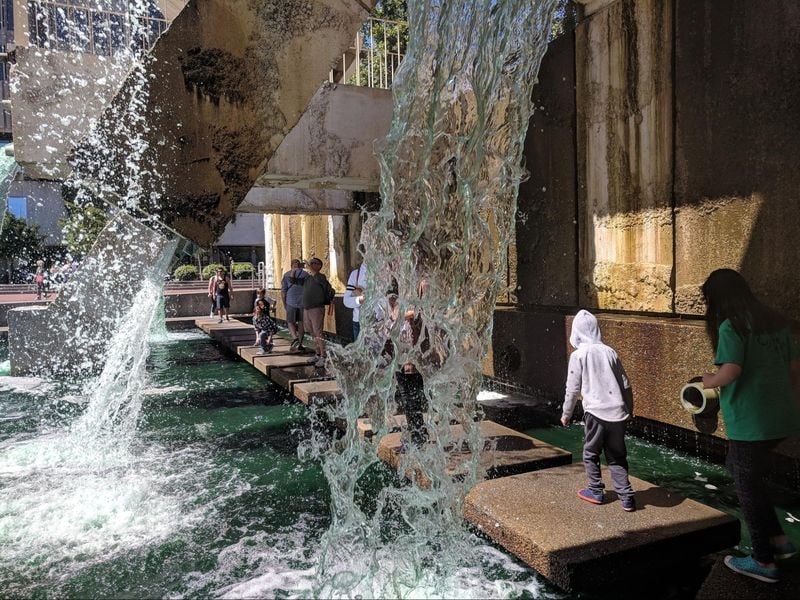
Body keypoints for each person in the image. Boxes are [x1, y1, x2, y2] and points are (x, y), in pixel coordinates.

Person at [700, 269, 800, 583]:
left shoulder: (733, 326)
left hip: (750, 421)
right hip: (781, 417)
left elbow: (731, 370)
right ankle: (780, 542)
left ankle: (763, 560)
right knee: (747, 475)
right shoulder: (774, 323)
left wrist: (710, 380)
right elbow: (795, 368)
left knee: (745, 483)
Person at [561, 309, 635, 512]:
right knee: (617, 456)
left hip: (596, 413)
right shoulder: (610, 352)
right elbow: (626, 385)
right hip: (618, 412)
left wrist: (566, 413)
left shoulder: (579, 355)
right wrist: (629, 409)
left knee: (591, 452)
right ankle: (627, 497)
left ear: (575, 333)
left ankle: (595, 490)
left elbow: (572, 389)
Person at [302, 257, 335, 368]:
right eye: (310, 263)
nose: (310, 265)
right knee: (311, 332)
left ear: (319, 266)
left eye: (313, 263)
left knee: (318, 332)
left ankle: (323, 356)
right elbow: (294, 282)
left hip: (316, 308)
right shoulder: (308, 278)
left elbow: (322, 284)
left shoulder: (320, 277)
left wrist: (310, 268)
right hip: (306, 308)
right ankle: (317, 353)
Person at [281, 259, 308, 352]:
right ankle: (300, 343)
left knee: (290, 321)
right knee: (301, 323)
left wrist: (284, 303)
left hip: (290, 301)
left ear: (291, 265)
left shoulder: (286, 275)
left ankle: (295, 338)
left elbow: (283, 291)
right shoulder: (305, 275)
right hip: (303, 302)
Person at [343, 262, 367, 342]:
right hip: (358, 321)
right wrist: (360, 299)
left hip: (379, 322)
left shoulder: (385, 273)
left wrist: (361, 293)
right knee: (359, 353)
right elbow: (346, 301)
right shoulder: (356, 274)